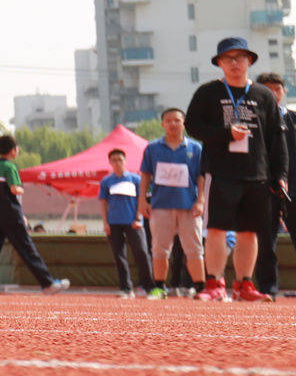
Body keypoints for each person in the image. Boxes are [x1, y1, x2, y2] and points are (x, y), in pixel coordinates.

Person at [183, 36, 285, 302]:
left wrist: (280, 175)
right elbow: (192, 126)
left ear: (249, 61)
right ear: (220, 63)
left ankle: (244, 284)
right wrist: (226, 133)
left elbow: (277, 137)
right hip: (222, 172)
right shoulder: (208, 93)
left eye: (240, 57)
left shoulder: (264, 95)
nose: (235, 62)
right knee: (216, 228)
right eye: (228, 58)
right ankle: (214, 283)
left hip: (257, 174)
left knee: (249, 231)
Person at [0, 135, 71, 294]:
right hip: (11, 216)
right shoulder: (10, 168)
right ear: (13, 151)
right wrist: (20, 189)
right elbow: (14, 189)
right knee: (27, 248)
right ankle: (47, 283)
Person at [139, 106, 203, 298]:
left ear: (184, 123)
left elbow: (202, 176)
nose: (173, 124)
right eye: (169, 121)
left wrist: (201, 200)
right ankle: (159, 287)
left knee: (194, 248)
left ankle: (201, 288)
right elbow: (145, 175)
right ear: (163, 124)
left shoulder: (195, 148)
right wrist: (142, 200)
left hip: (189, 206)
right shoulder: (152, 148)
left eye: (177, 120)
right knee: (159, 249)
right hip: (161, 206)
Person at [96, 147, 155, 297]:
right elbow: (103, 202)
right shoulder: (106, 181)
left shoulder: (135, 179)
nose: (117, 163)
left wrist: (138, 218)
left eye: (120, 159)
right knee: (119, 255)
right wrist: (105, 222)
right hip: (114, 223)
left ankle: (148, 286)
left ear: (125, 161)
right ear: (110, 162)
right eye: (114, 160)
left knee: (141, 252)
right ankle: (126, 288)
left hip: (133, 222)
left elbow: (141, 200)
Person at [255, 71, 291, 299]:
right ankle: (268, 288)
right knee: (265, 242)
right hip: (263, 190)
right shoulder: (253, 123)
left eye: (277, 90)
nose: (273, 94)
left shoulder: (293, 120)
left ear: (284, 92)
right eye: (267, 90)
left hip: (292, 190)